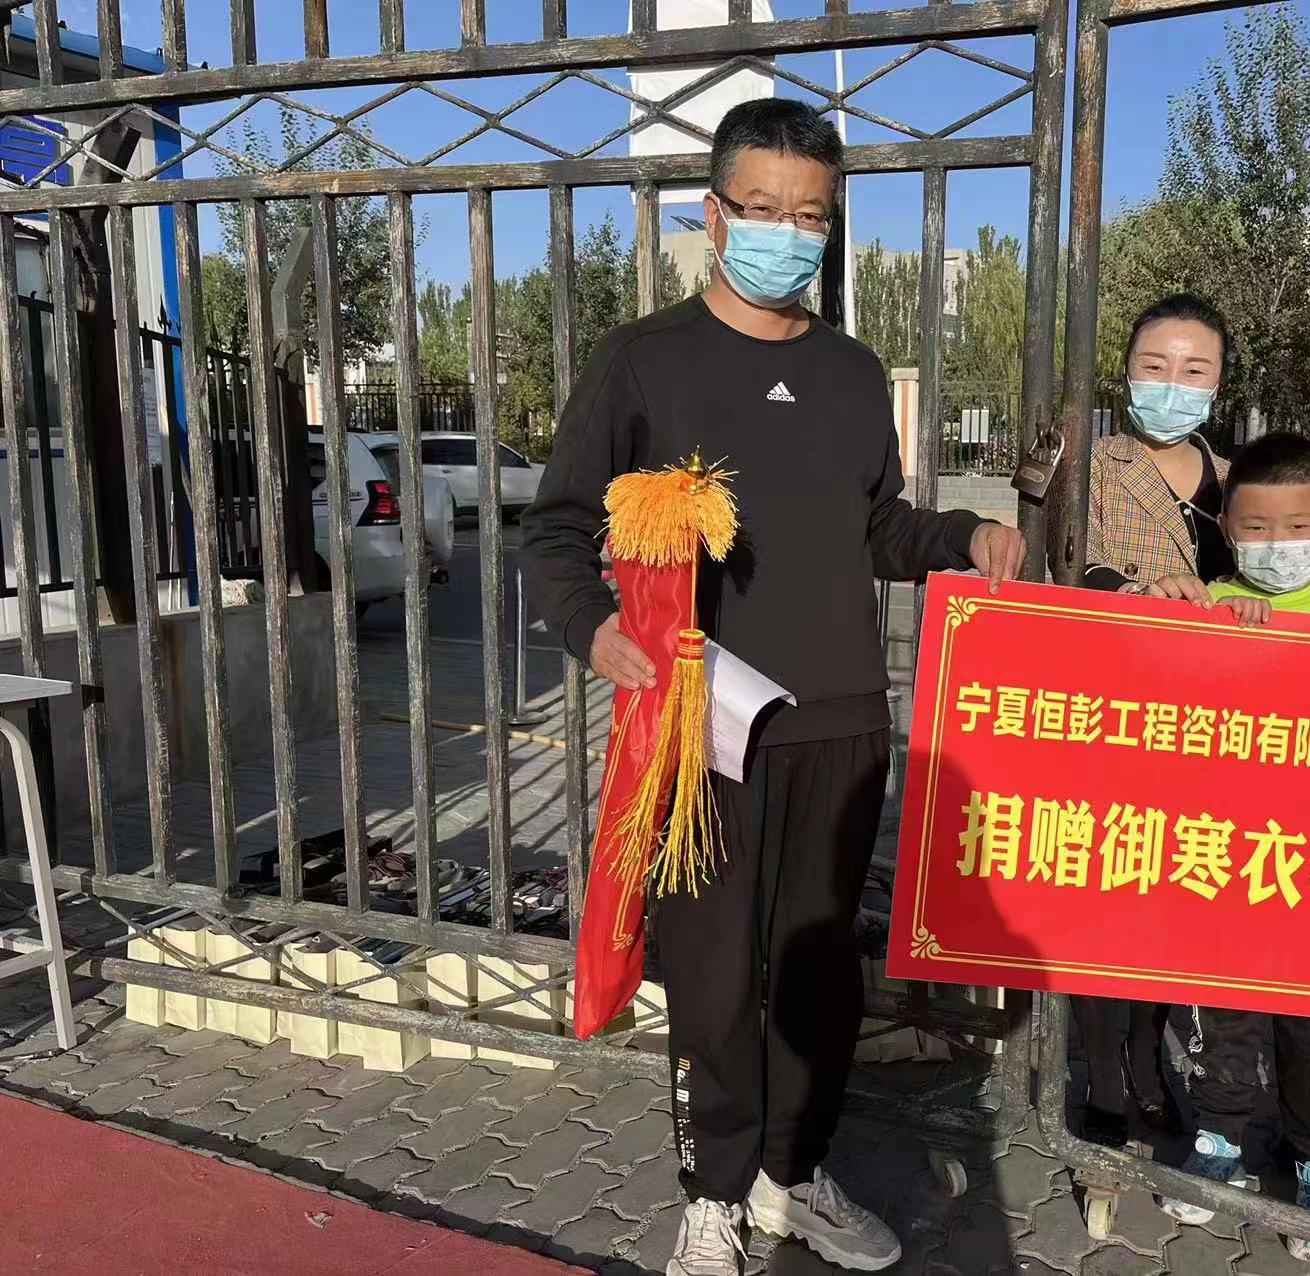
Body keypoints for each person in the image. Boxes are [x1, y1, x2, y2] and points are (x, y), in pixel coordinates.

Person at [521, 98, 1025, 1276]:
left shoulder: (850, 372)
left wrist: (962, 535)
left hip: (839, 723)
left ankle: (794, 1174)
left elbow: (879, 528)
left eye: (809, 216)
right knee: (709, 977)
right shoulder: (643, 361)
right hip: (701, 728)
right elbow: (554, 528)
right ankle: (715, 1191)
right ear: (713, 215)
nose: (785, 235)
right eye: (762, 210)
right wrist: (595, 631)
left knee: (817, 972)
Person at [1146, 431, 1310, 1268]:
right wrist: (1184, 610)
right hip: (1226, 865)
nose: (1277, 546)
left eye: (1297, 528)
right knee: (1223, 1016)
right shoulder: (1208, 600)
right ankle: (1218, 1142)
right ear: (1225, 528)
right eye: (1256, 528)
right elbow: (1156, 682)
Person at [1070, 293, 1235, 1149]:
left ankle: (1149, 1055)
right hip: (1114, 713)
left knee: (1173, 903)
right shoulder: (1090, 466)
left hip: (1208, 726)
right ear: (1127, 372)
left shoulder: (1235, 479)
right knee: (1108, 900)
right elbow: (1062, 571)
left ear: (1219, 383)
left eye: (1194, 369)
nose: (1173, 384)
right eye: (1155, 366)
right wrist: (1136, 590)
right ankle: (1103, 1075)